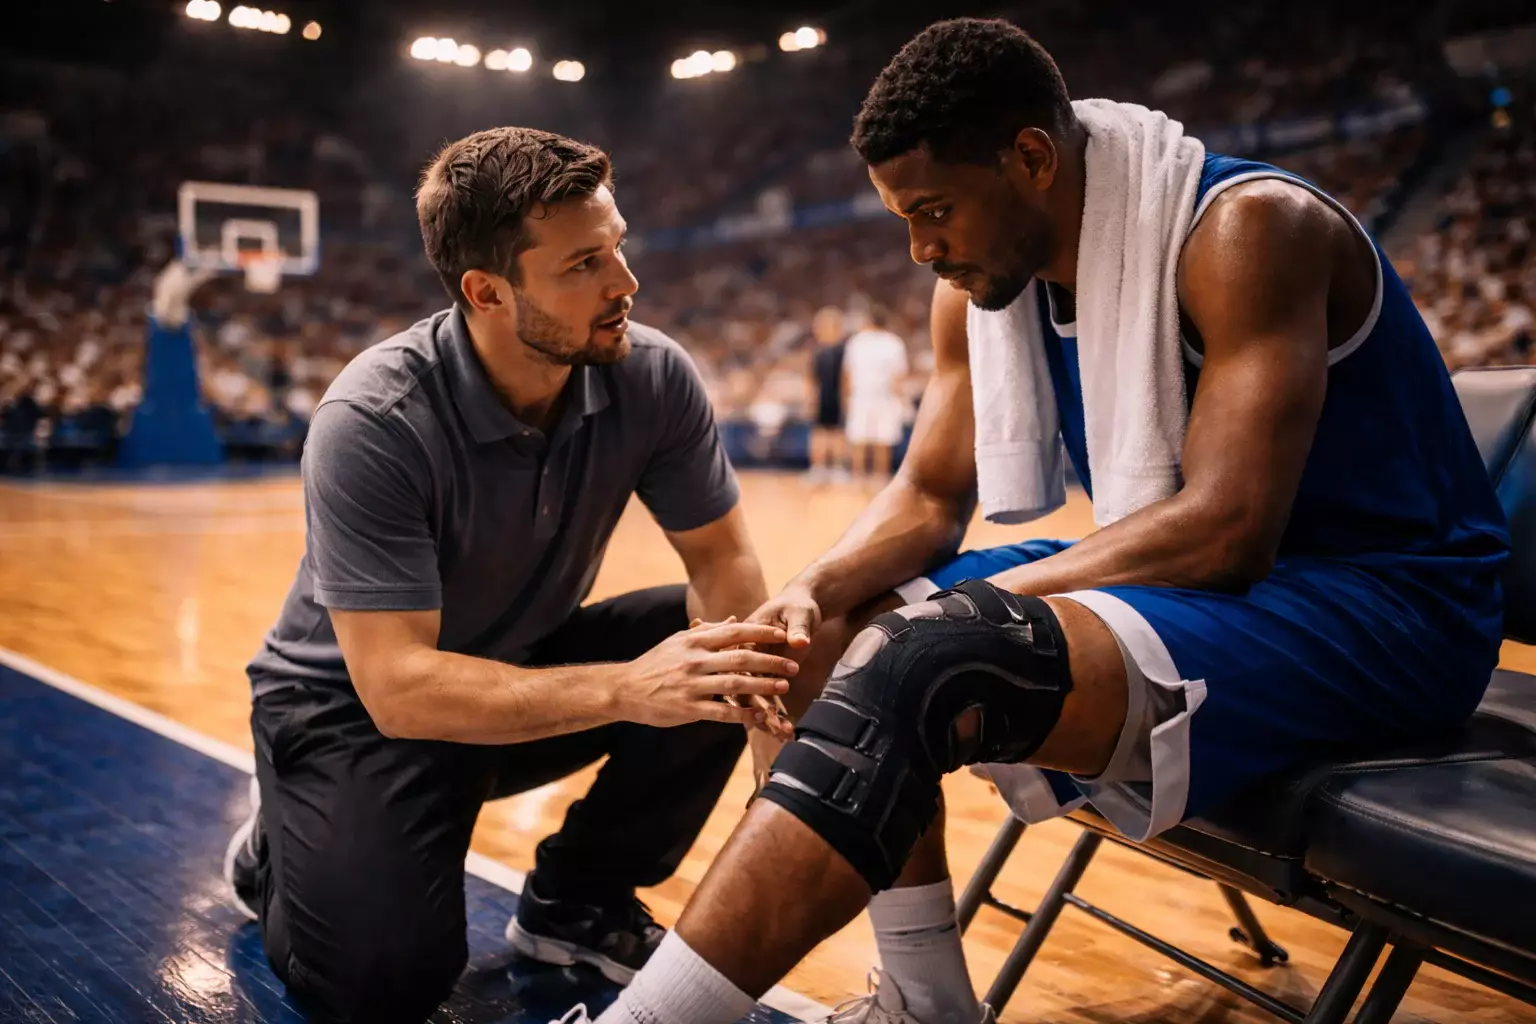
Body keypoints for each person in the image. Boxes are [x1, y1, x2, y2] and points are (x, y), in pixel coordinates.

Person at [576, 18, 1510, 1024]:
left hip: (1391, 611)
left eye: (933, 211)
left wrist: (945, 617)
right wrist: (811, 589)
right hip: (1235, 589)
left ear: (1029, 158)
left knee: (929, 652)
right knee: (815, 646)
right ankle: (924, 1004)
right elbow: (930, 496)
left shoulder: (1247, 231)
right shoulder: (978, 289)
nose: (919, 247)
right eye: (901, 217)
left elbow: (1227, 527)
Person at [224, 126, 798, 1024]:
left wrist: (772, 770)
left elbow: (724, 562)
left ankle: (579, 900)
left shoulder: (652, 375)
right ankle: (278, 850)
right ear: (486, 292)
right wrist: (627, 688)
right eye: (583, 265)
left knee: (719, 647)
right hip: (353, 715)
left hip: (518, 667)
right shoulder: (374, 418)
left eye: (618, 247)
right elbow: (401, 688)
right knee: (385, 985)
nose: (625, 284)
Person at [841, 306, 910, 481]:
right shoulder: (894, 342)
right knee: (883, 439)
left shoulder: (857, 341)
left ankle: (858, 475)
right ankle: (880, 476)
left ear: (869, 322)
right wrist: (900, 399)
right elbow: (898, 376)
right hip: (886, 396)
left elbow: (847, 373)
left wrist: (846, 397)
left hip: (861, 395)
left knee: (859, 438)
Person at [807, 305, 849, 484]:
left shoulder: (843, 352)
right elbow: (811, 379)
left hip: (837, 398)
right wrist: (810, 398)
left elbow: (847, 378)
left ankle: (837, 468)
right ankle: (818, 469)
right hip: (822, 398)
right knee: (819, 434)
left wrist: (846, 399)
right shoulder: (817, 352)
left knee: (837, 434)